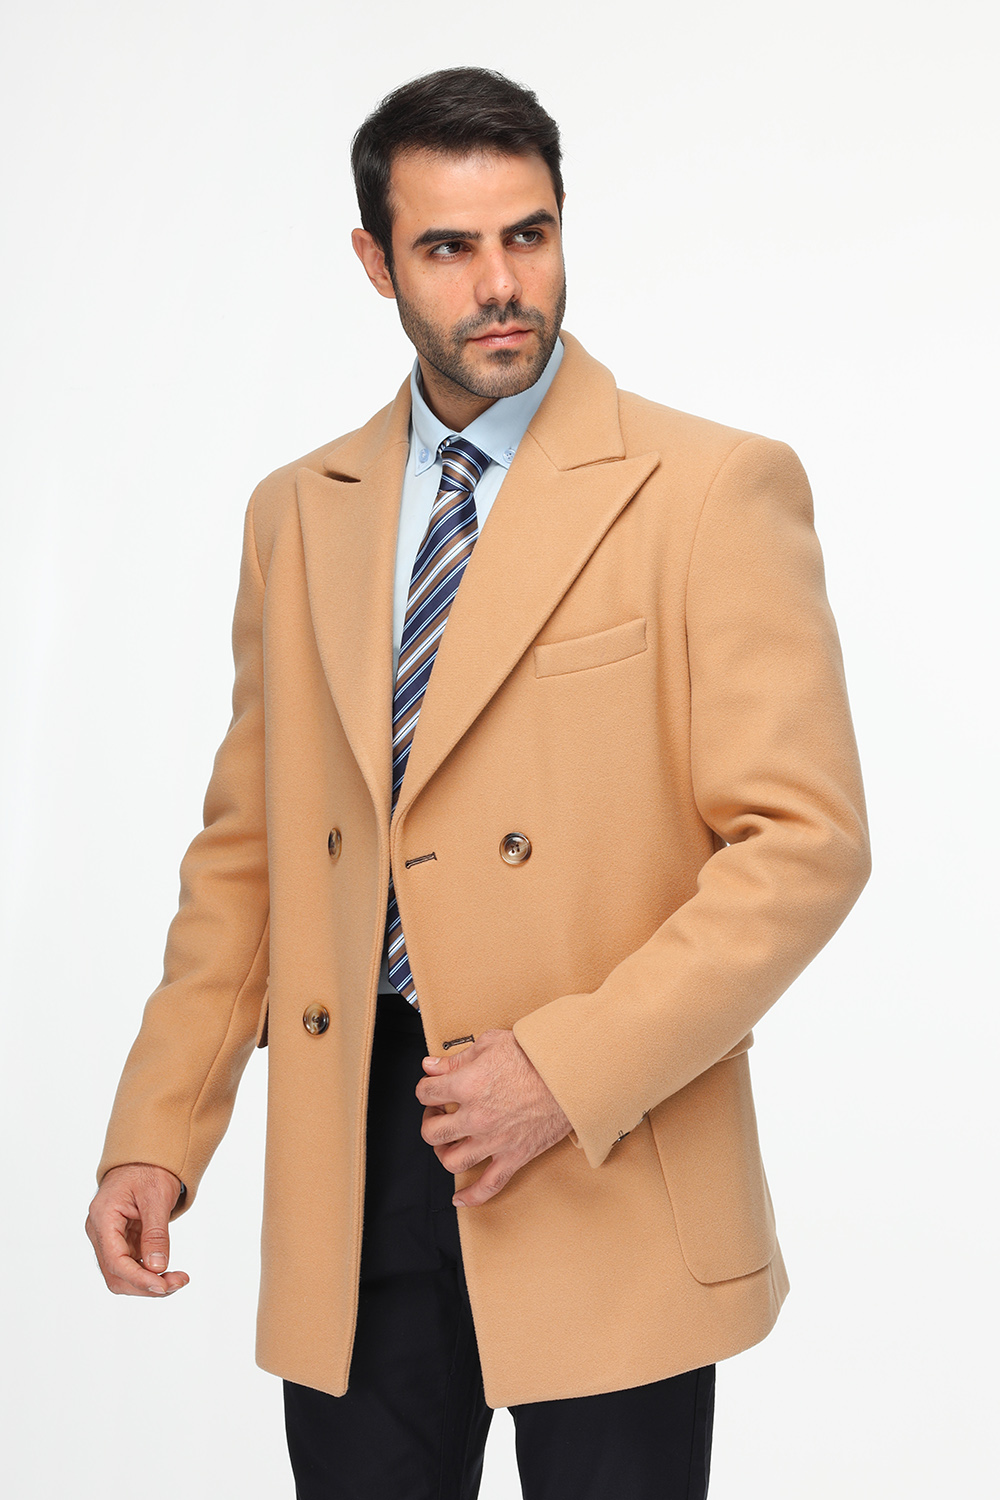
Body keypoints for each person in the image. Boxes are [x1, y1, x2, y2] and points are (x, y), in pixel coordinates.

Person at [86, 66, 870, 1499]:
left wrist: (564, 1074)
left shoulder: (708, 488)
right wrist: (159, 1129)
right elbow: (251, 855)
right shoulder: (297, 514)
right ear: (375, 260)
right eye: (449, 247)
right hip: (356, 1154)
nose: (502, 284)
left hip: (607, 1145)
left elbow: (801, 846)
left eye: (530, 234)